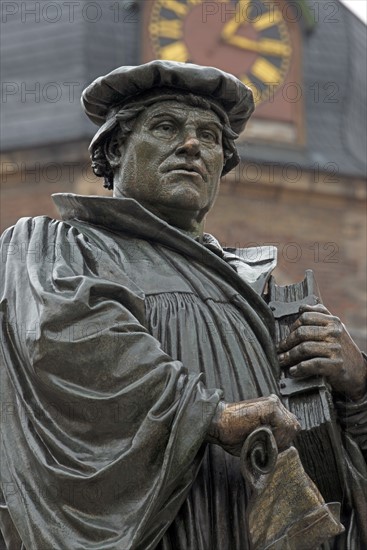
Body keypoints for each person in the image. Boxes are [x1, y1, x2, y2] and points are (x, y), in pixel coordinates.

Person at [0, 61, 366, 550]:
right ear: (114, 149)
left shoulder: (258, 289)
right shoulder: (52, 246)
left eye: (210, 136)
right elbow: (67, 341)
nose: (193, 145)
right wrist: (212, 416)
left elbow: (333, 471)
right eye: (166, 127)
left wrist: (357, 388)